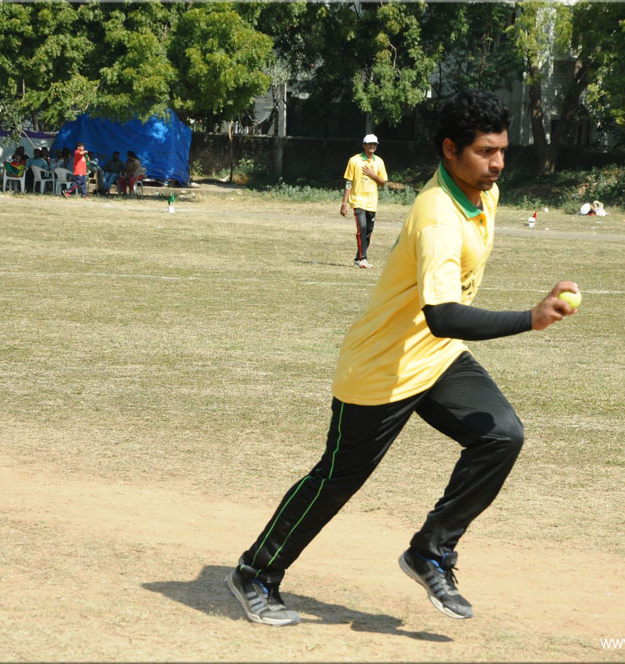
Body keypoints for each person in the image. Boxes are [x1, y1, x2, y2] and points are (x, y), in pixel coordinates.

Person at [225, 90, 579, 627]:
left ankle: (430, 551)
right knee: (338, 479)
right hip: (381, 367)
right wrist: (529, 318)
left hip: (436, 359)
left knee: (501, 435)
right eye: (485, 152)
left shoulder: (484, 194)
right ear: (450, 149)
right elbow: (443, 315)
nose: (498, 163)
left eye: (502, 151)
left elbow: (440, 326)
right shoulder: (437, 215)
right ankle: (255, 572)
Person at [340, 134, 388, 268]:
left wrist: (373, 175)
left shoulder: (379, 162)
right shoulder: (354, 160)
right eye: (370, 144)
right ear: (364, 145)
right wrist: (344, 203)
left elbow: (383, 183)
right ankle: (363, 259)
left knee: (368, 231)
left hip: (372, 202)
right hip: (357, 200)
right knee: (361, 227)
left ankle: (358, 258)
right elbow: (349, 182)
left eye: (375, 144)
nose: (372, 146)